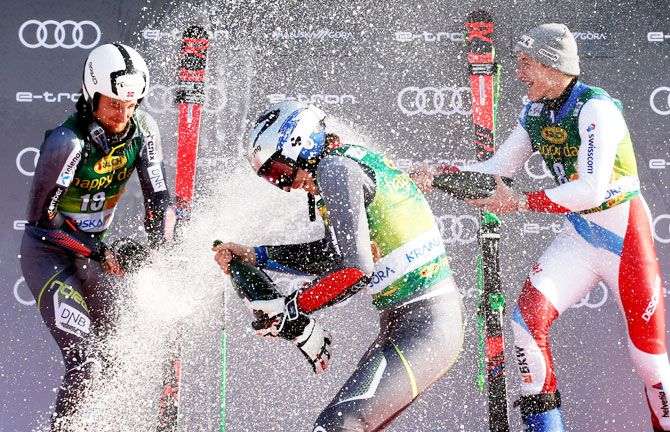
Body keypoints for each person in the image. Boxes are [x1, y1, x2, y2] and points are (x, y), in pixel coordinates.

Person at [412, 23, 670, 432]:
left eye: (526, 64)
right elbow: (497, 170)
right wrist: (436, 174)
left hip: (625, 240)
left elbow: (591, 189)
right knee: (526, 325)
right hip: (581, 238)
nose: (518, 73)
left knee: (650, 361)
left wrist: (521, 203)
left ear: (554, 66)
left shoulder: (595, 108)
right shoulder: (534, 112)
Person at [212, 101, 465, 431]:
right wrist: (257, 255)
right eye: (271, 179)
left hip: (425, 322)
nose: (284, 186)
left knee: (337, 424)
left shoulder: (334, 168)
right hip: (415, 320)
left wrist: (294, 308)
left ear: (301, 145)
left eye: (280, 172)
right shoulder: (343, 162)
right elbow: (331, 255)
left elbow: (356, 270)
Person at [20, 43, 176, 431]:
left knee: (116, 357)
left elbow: (158, 199)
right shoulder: (66, 143)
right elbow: (41, 223)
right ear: (91, 96)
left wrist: (162, 248)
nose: (122, 116)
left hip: (93, 256)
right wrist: (97, 249)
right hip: (49, 256)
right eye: (112, 106)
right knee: (86, 359)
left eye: (131, 105)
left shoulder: (144, 132)